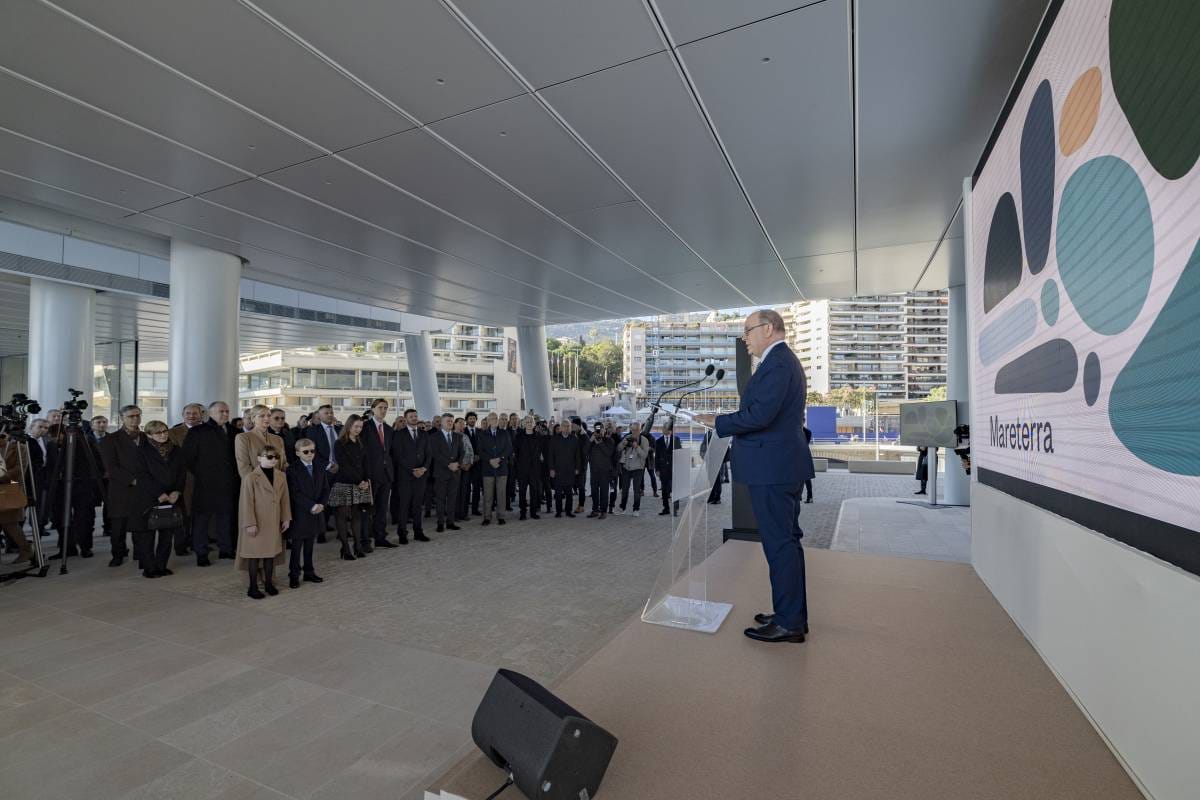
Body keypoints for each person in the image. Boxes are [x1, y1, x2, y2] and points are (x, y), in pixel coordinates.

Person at [715, 309, 814, 644]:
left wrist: (717, 422)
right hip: (779, 465)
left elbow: (760, 415)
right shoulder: (780, 361)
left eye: (748, 330)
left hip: (774, 468)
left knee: (780, 544)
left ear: (769, 329)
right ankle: (790, 614)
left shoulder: (778, 363)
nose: (745, 338)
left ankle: (789, 622)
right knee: (785, 542)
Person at [183, 401, 239, 564]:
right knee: (201, 520)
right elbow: (188, 458)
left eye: (227, 411)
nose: (225, 414)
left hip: (229, 483)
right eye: (221, 411)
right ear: (210, 413)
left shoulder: (235, 431)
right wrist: (203, 473)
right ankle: (201, 553)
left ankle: (226, 549)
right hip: (205, 483)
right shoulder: (198, 431)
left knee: (226, 518)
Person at [131, 420, 185, 579]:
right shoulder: (141, 451)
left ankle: (162, 566)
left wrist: (177, 491)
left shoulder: (176, 449)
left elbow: (181, 473)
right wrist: (158, 493)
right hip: (149, 497)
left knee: (167, 534)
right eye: (158, 432)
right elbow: (142, 475)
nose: (162, 435)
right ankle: (150, 568)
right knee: (147, 535)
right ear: (148, 435)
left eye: (164, 431)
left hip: (171, 497)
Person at [237, 443, 290, 599]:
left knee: (270, 555)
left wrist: (286, 517)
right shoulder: (251, 477)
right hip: (257, 521)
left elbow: (285, 499)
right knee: (254, 556)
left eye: (276, 457)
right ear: (259, 458)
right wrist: (250, 523)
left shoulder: (281, 476)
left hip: (273, 521)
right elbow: (246, 502)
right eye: (269, 457)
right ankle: (252, 587)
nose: (273, 460)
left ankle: (268, 584)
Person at [98, 405, 143, 566]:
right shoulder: (110, 439)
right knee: (119, 526)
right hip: (120, 489)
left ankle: (140, 552)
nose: (135, 419)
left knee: (140, 524)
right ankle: (118, 554)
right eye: (130, 416)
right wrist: (132, 480)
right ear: (122, 419)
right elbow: (111, 467)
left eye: (137, 415)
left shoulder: (146, 437)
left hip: (143, 489)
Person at [286, 437, 328, 587]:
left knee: (310, 544)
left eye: (312, 451)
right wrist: (311, 505)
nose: (310, 454)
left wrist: (321, 504)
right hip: (300, 513)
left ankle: (309, 572)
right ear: (298, 453)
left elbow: (325, 489)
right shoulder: (292, 470)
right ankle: (294, 574)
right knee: (297, 547)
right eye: (306, 451)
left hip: (316, 512)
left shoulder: (319, 467)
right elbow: (295, 493)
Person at [330, 414, 372, 559]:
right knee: (342, 517)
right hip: (344, 483)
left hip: (360, 483)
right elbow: (343, 465)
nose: (358, 429)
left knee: (357, 516)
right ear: (349, 426)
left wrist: (366, 479)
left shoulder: (361, 442)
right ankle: (345, 548)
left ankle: (358, 547)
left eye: (360, 427)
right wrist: (358, 481)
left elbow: (366, 463)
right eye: (356, 426)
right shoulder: (339, 443)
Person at [168, 403, 205, 557]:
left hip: (205, 478)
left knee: (201, 513)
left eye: (195, 413)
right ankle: (181, 545)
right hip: (184, 478)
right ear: (183, 415)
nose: (191, 416)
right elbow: (175, 456)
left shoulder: (207, 431)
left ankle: (199, 542)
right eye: (188, 413)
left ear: (201, 415)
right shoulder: (174, 433)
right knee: (184, 513)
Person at [391, 407, 430, 543]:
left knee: (418, 506)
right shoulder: (399, 434)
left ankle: (418, 532)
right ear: (406, 418)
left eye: (415, 416)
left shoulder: (424, 434)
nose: (414, 418)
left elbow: (429, 454)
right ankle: (402, 534)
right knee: (404, 506)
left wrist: (424, 468)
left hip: (421, 476)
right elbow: (398, 456)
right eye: (411, 416)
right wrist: (413, 470)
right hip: (405, 476)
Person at [361, 399, 397, 548]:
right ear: (373, 409)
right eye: (380, 407)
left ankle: (380, 537)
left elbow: (389, 453)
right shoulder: (365, 427)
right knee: (368, 509)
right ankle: (365, 541)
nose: (383, 410)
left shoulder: (388, 429)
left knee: (382, 509)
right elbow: (362, 453)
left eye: (386, 408)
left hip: (386, 474)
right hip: (370, 474)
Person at [0, 435, 33, 565]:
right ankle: (26, 550)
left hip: (10, 488)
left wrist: (3, 477)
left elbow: (20, 469)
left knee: (10, 523)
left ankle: (26, 549)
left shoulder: (19, 447)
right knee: (8, 523)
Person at [429, 413, 464, 533]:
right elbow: (435, 454)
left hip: (455, 473)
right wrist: (449, 464)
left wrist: (457, 464)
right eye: (447, 421)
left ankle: (450, 522)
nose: (450, 423)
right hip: (441, 473)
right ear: (442, 423)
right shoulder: (434, 437)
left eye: (451, 421)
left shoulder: (458, 436)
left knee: (452, 499)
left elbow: (462, 452)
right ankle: (440, 523)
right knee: (440, 499)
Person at [476, 412, 511, 526]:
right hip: (488, 468)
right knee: (488, 495)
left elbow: (509, 448)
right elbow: (480, 451)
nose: (494, 420)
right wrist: (490, 460)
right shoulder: (482, 434)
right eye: (491, 418)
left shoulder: (504, 433)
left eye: (495, 418)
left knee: (501, 494)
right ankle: (487, 517)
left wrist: (500, 458)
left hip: (502, 468)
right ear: (488, 421)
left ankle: (501, 516)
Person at [235, 406, 288, 479]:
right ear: (253, 418)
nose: (266, 418)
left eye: (269, 415)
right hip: (255, 485)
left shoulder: (278, 439)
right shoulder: (243, 438)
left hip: (277, 485)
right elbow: (244, 468)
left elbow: (283, 464)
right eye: (262, 416)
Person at [514, 416, 544, 521]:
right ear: (523, 424)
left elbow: (542, 451)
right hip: (522, 468)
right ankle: (523, 513)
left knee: (534, 491)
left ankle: (533, 512)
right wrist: (519, 465)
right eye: (527, 422)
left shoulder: (539, 436)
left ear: (534, 423)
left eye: (531, 421)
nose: (529, 423)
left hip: (535, 468)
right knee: (522, 491)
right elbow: (516, 453)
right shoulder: (519, 436)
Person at [616, 421, 650, 516]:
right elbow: (618, 448)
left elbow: (644, 456)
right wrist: (623, 444)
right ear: (630, 429)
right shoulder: (627, 437)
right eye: (633, 430)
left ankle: (636, 509)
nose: (634, 432)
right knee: (624, 489)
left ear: (640, 430)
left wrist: (637, 447)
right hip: (626, 467)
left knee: (636, 490)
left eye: (636, 430)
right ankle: (622, 508)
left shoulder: (644, 440)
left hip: (638, 468)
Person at [548, 423, 580, 518]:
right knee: (558, 493)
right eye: (564, 426)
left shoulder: (574, 439)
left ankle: (568, 511)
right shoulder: (554, 439)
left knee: (569, 493)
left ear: (570, 428)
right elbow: (550, 455)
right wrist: (551, 469)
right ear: (561, 428)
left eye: (568, 426)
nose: (566, 428)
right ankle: (558, 511)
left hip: (570, 470)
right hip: (557, 470)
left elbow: (577, 455)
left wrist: (577, 468)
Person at [586, 422, 617, 519]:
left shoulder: (609, 440)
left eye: (600, 429)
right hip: (594, 470)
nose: (599, 432)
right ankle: (595, 510)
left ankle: (604, 511)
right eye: (597, 430)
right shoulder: (591, 440)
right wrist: (590, 441)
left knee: (604, 492)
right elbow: (584, 452)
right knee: (594, 491)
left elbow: (608, 453)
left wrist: (600, 443)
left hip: (605, 471)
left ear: (604, 430)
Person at [654, 423, 683, 516]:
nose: (663, 429)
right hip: (663, 470)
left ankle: (675, 509)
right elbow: (657, 457)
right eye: (663, 428)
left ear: (669, 430)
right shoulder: (658, 441)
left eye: (664, 428)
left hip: (674, 469)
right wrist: (657, 469)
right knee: (664, 490)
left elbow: (680, 454)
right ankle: (666, 508)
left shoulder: (676, 440)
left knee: (675, 489)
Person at [453, 417, 474, 522]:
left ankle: (463, 513)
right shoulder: (451, 436)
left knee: (465, 491)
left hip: (467, 468)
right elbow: (452, 454)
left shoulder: (465, 436)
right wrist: (460, 465)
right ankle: (455, 515)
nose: (462, 425)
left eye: (463, 424)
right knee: (456, 492)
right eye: (460, 423)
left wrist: (470, 463)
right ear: (455, 424)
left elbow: (470, 450)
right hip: (456, 469)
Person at [463, 411, 482, 516]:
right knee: (466, 488)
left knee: (476, 488)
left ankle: (475, 509)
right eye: (470, 418)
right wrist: (470, 458)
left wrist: (478, 456)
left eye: (474, 418)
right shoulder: (463, 431)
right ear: (466, 420)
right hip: (466, 465)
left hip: (478, 464)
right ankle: (464, 510)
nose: (472, 420)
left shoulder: (480, 431)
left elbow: (483, 446)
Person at [802, 424, 815, 503]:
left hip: (803, 456)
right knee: (803, 478)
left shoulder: (805, 432)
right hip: (801, 456)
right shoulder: (804, 431)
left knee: (806, 478)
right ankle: (801, 496)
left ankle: (809, 497)